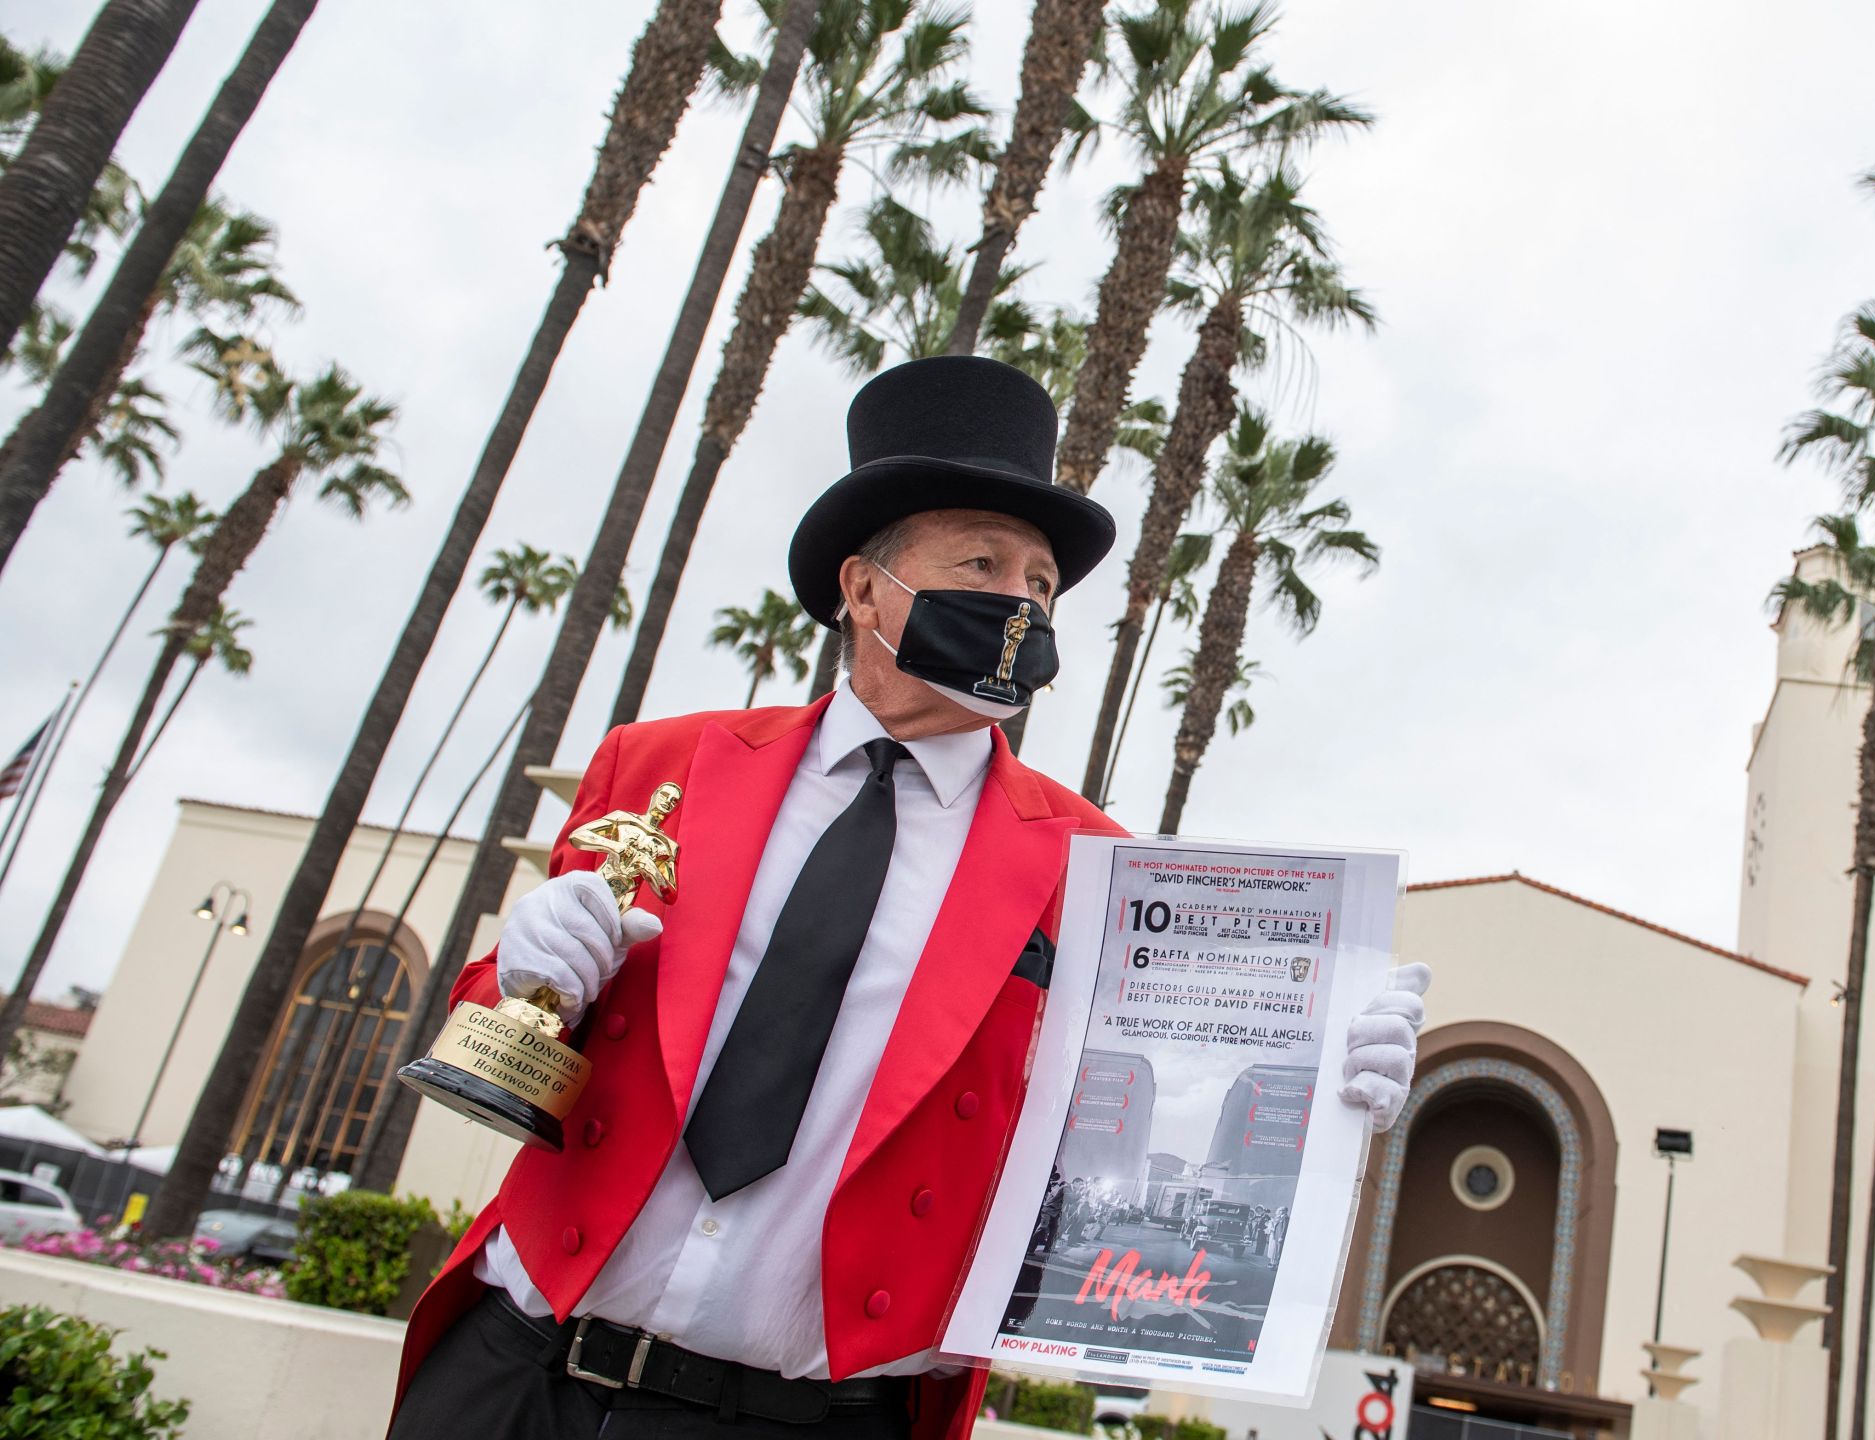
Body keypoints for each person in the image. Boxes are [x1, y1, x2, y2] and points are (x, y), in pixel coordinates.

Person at [388, 357, 1430, 1439]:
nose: (1022, 599)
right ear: (864, 589)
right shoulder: (661, 767)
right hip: (519, 1374)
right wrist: (520, 973)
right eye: (983, 560)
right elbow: (505, 1035)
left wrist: (1323, 1083)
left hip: (809, 1419)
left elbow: (1166, 1078)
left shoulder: (1095, 867)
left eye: (1039, 581)